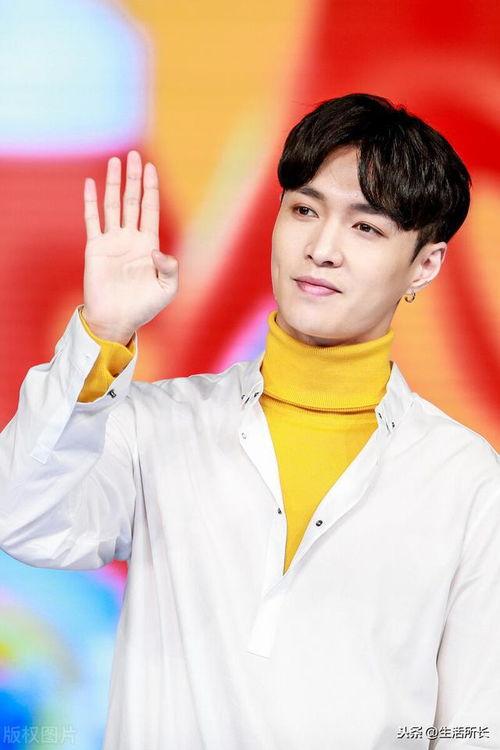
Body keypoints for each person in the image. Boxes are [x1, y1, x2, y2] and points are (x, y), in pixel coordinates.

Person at [0, 92, 499, 750]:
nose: (321, 249)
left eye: (366, 228)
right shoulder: (160, 427)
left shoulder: (464, 479)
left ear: (425, 264)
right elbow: (23, 518)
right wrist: (102, 333)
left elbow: (474, 724)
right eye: (304, 210)